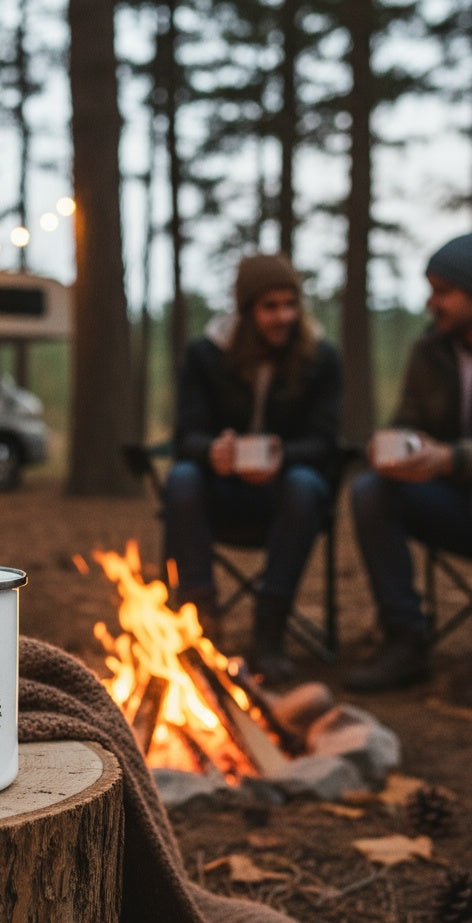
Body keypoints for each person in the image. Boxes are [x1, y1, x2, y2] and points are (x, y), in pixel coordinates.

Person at [163, 252, 342, 684]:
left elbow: (325, 442)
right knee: (182, 477)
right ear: (246, 310)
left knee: (305, 484)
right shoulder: (206, 355)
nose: (284, 316)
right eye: (270, 306)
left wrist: (283, 456)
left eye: (291, 304)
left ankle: (269, 632)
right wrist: (212, 452)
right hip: (221, 493)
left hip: (285, 498)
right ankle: (200, 622)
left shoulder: (321, 358)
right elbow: (186, 435)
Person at [346, 231, 472, 695]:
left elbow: (447, 456)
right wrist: (392, 447)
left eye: (444, 292)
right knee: (371, 491)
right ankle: (404, 641)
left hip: (457, 479)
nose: (431, 303)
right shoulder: (430, 350)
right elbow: (408, 422)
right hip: (453, 505)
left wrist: (451, 458)